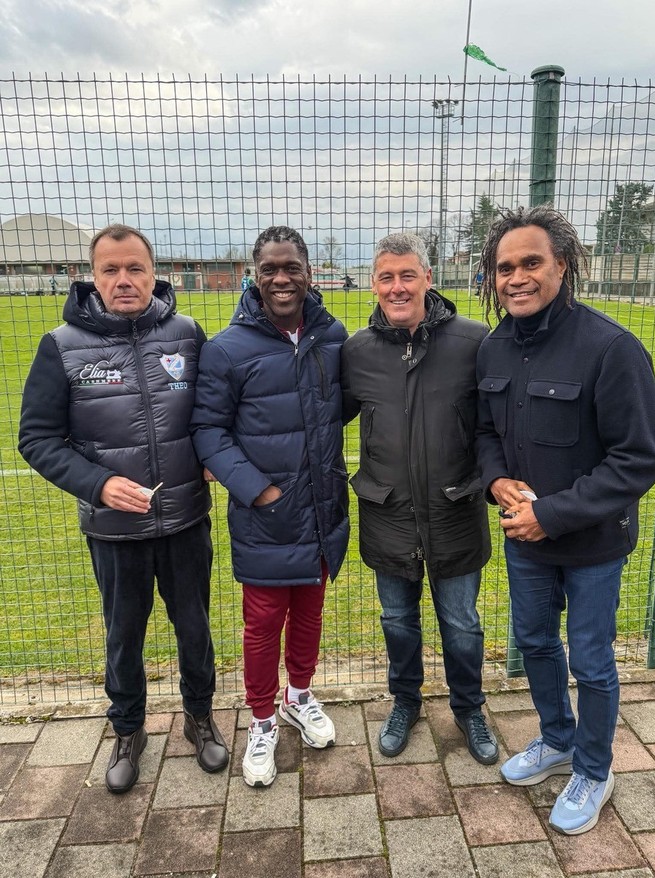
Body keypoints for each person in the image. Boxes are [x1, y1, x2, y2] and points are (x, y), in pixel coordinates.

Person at [474, 205, 655, 835]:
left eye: (531, 263)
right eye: (505, 267)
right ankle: (556, 740)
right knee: (533, 644)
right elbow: (485, 432)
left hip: (591, 546)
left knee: (591, 659)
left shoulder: (611, 347)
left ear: (563, 265)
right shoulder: (495, 344)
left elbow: (638, 459)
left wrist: (549, 515)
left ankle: (594, 767)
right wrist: (497, 480)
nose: (516, 277)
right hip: (524, 541)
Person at [18, 224, 229, 794]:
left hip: (185, 519)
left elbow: (214, 415)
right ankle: (128, 730)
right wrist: (99, 484)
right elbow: (37, 439)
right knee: (123, 635)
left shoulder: (187, 334)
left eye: (135, 268)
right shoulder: (61, 345)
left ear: (154, 272)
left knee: (194, 629)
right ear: (93, 277)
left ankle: (201, 718)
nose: (124, 280)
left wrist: (214, 457)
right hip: (114, 531)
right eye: (110, 270)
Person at [191, 225, 349, 788]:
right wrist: (257, 489)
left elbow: (342, 409)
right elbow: (207, 431)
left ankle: (298, 697)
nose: (282, 278)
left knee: (310, 613)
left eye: (292, 268)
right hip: (268, 515)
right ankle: (261, 719)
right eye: (270, 269)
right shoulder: (227, 348)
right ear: (253, 277)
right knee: (262, 625)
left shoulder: (334, 338)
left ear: (309, 272)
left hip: (323, 509)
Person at [341, 232, 498, 764]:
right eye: (386, 277)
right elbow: (321, 420)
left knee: (462, 622)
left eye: (408, 275)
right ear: (374, 283)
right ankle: (405, 702)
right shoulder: (356, 351)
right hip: (387, 513)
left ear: (428, 279)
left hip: (456, 510)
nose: (397, 286)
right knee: (396, 620)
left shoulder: (475, 342)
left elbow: (498, 426)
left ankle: (469, 707)